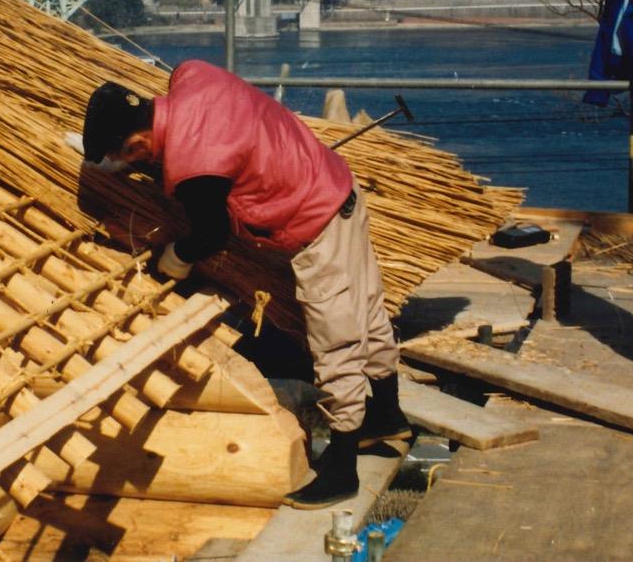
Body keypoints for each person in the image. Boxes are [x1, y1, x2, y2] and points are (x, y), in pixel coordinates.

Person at [81, 60, 412, 508]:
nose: (129, 163)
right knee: (370, 310)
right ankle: (387, 416)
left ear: (139, 141)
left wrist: (175, 259)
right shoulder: (192, 77)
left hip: (314, 224)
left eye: (126, 155)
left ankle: (342, 466)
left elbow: (211, 233)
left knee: (334, 339)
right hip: (340, 190)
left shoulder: (195, 167)